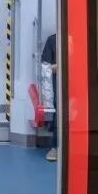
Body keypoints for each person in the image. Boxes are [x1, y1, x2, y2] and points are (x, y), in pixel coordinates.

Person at [41, 32, 58, 162]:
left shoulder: (82, 39)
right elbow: (46, 68)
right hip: (60, 85)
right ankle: (55, 147)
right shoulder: (53, 40)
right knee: (60, 114)